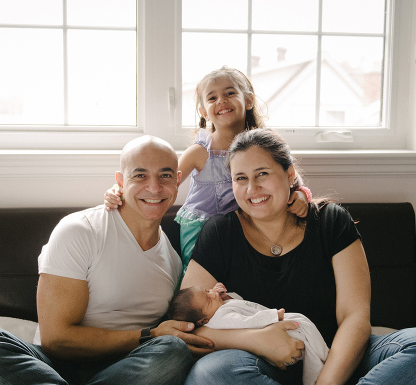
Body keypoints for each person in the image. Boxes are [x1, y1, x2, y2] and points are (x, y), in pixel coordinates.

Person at [179, 129, 416, 385]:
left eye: (262, 175)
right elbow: (186, 327)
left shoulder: (330, 222)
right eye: (240, 178)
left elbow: (355, 316)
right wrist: (258, 340)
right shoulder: (220, 233)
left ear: (289, 175)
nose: (251, 189)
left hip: (344, 360)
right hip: (263, 373)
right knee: (206, 384)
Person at [0, 136, 218, 385]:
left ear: (177, 182)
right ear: (120, 181)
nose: (154, 187)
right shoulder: (81, 231)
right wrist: (148, 335)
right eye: (140, 175)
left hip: (125, 378)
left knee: (173, 353)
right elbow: (56, 340)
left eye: (164, 175)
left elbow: (168, 339)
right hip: (55, 370)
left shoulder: (174, 259)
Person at [103, 66, 311, 271]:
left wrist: (302, 195)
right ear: (204, 112)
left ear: (248, 100)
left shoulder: (264, 146)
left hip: (243, 225)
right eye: (212, 98)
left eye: (230, 93)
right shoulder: (200, 151)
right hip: (199, 227)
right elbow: (162, 182)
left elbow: (291, 179)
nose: (221, 101)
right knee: (199, 281)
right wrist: (118, 191)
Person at [166, 282, 329, 385]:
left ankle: (322, 360)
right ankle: (317, 371)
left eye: (208, 291)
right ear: (203, 320)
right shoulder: (219, 319)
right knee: (303, 329)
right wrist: (273, 316)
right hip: (272, 330)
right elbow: (246, 321)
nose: (213, 294)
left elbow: (242, 303)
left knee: (304, 327)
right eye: (208, 299)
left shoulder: (218, 308)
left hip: (272, 329)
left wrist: (226, 296)